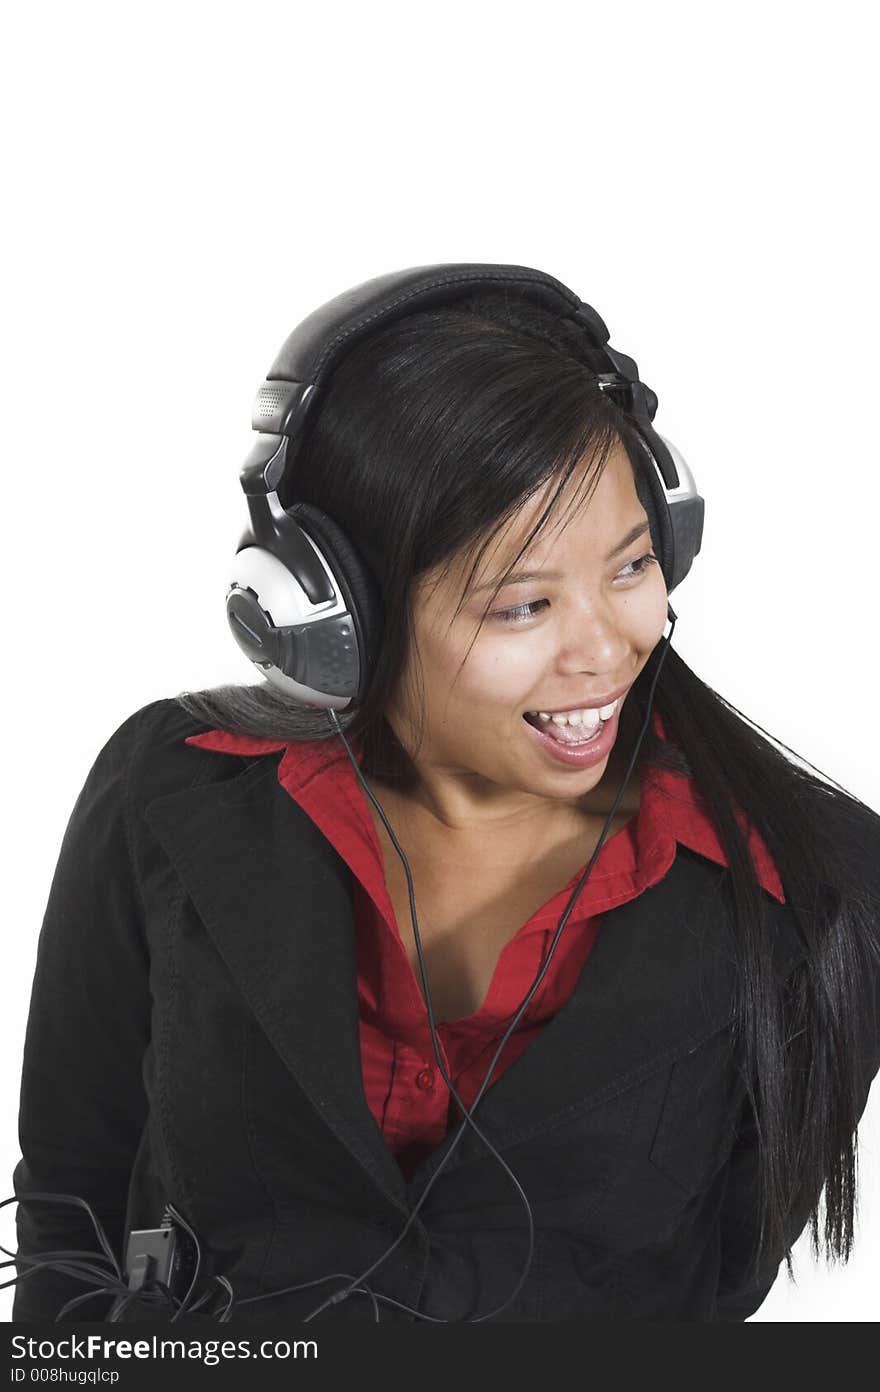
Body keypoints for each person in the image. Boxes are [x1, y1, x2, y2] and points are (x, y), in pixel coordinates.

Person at [10, 282, 880, 1323]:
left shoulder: (819, 883)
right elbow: (75, 1187)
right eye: (523, 604)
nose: (608, 649)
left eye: (634, 564)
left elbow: (719, 1283)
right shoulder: (173, 782)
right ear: (333, 614)